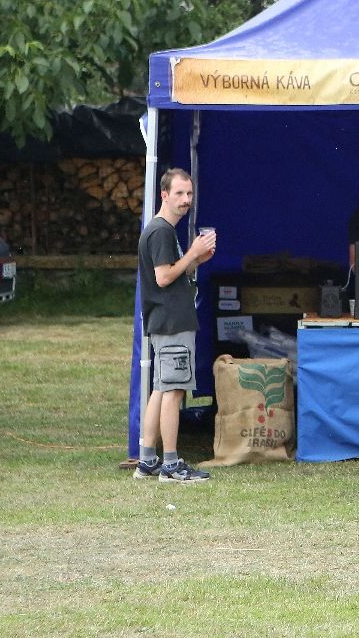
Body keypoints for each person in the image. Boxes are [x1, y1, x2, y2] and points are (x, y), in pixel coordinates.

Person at [134, 168, 217, 483]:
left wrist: (195, 261)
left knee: (160, 388)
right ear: (164, 195)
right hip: (172, 321)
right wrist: (192, 252)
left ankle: (147, 460)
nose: (186, 199)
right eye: (179, 193)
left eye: (190, 193)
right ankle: (170, 465)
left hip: (165, 320)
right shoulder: (161, 231)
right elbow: (163, 277)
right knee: (173, 390)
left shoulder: (162, 230)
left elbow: (173, 272)